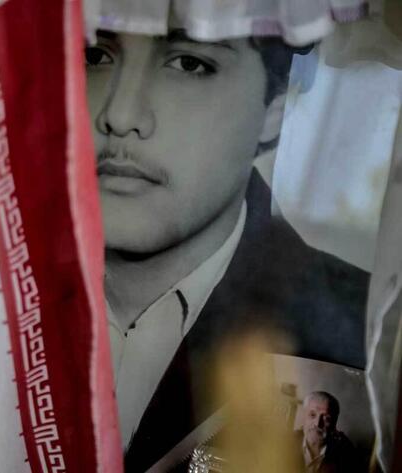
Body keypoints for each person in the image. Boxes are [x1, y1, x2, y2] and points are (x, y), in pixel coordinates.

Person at [84, 29, 370, 472]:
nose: (120, 117)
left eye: (189, 64)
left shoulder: (367, 329)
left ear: (274, 110)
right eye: (95, 55)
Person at [295, 391, 360, 473]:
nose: (317, 423)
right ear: (303, 416)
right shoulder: (286, 442)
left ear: (334, 423)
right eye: (312, 415)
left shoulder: (346, 453)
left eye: (326, 418)